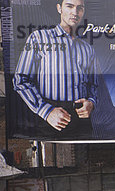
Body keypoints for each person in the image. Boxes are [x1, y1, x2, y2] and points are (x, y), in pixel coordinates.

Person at [13, 0, 98, 139]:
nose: (75, 12)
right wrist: (46, 111)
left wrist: (91, 103)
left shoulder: (87, 48)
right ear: (59, 8)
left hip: (82, 120)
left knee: (85, 160)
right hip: (51, 117)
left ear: (83, 12)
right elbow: (20, 79)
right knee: (53, 159)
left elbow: (93, 84)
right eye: (69, 6)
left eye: (79, 8)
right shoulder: (39, 38)